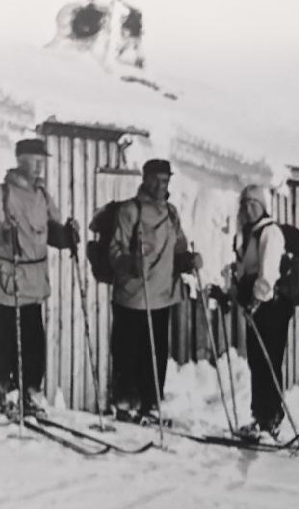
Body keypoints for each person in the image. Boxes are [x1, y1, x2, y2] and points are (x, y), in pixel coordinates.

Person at [0, 138, 79, 416]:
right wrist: (2, 233)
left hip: (31, 280)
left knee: (33, 340)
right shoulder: (2, 193)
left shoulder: (43, 196)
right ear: (21, 161)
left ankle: (30, 392)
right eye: (35, 160)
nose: (40, 165)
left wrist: (67, 236)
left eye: (43, 160)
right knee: (3, 337)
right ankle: (0, 390)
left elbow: (49, 231)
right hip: (4, 279)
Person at [107, 159, 196, 424]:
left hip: (162, 295)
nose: (161, 185)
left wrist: (187, 260)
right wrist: (129, 263)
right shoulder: (129, 211)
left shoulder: (171, 212)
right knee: (127, 351)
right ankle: (124, 402)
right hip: (133, 294)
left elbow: (178, 246)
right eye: (156, 179)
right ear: (145, 179)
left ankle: (151, 403)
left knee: (156, 353)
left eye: (166, 180)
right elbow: (115, 249)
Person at [231, 184, 291, 439]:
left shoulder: (270, 233)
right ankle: (260, 416)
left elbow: (268, 273)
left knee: (269, 360)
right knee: (257, 361)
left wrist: (255, 301)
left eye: (253, 203)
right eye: (244, 204)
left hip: (271, 306)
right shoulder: (250, 232)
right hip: (256, 306)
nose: (248, 209)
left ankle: (272, 418)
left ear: (263, 206)